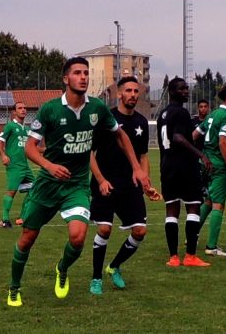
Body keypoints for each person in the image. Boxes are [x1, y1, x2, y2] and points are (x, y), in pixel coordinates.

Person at [7, 57, 149, 306]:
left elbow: (120, 134)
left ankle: (62, 269)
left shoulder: (96, 108)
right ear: (66, 79)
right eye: (77, 73)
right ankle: (14, 288)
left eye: (86, 73)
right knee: (27, 238)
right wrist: (50, 166)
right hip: (48, 185)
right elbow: (30, 147)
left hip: (77, 185)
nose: (83, 77)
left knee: (78, 237)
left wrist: (137, 167)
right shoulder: (50, 109)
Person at [89, 76, 163, 294]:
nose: (132, 94)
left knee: (140, 231)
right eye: (128, 90)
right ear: (119, 93)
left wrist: (146, 182)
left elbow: (143, 156)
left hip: (130, 185)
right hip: (106, 183)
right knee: (104, 228)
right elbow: (89, 154)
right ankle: (96, 279)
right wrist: (101, 180)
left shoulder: (141, 122)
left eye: (135, 91)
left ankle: (114, 267)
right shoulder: (106, 119)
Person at [157, 77, 212, 268]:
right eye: (182, 89)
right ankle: (190, 256)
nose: (186, 91)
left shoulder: (162, 114)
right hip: (184, 167)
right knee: (193, 208)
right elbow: (178, 138)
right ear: (172, 92)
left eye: (187, 88)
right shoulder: (181, 113)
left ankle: (173, 257)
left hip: (167, 167)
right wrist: (201, 155)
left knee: (171, 210)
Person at [195, 81, 226, 257]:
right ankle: (211, 246)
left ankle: (191, 234)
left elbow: (194, 135)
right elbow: (223, 142)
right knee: (218, 205)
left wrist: (200, 155)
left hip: (206, 163)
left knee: (208, 201)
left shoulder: (213, 114)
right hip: (218, 166)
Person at [0, 102, 34, 228]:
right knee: (11, 192)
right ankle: (4, 219)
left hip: (25, 166)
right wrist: (3, 155)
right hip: (14, 165)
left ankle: (22, 217)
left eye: (25, 108)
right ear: (14, 112)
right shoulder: (10, 126)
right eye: (20, 108)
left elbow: (33, 148)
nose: (23, 110)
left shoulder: (27, 129)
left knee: (34, 190)